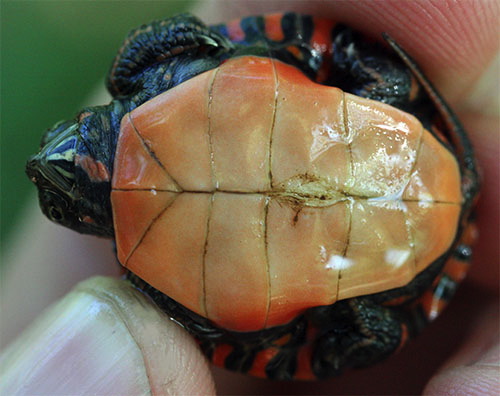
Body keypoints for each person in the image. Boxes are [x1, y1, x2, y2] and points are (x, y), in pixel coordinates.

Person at [1, 1, 498, 394]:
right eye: (62, 201)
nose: (50, 166)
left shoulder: (149, 282)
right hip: (412, 156)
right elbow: (199, 43)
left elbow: (213, 331)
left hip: (392, 267)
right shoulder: (156, 79)